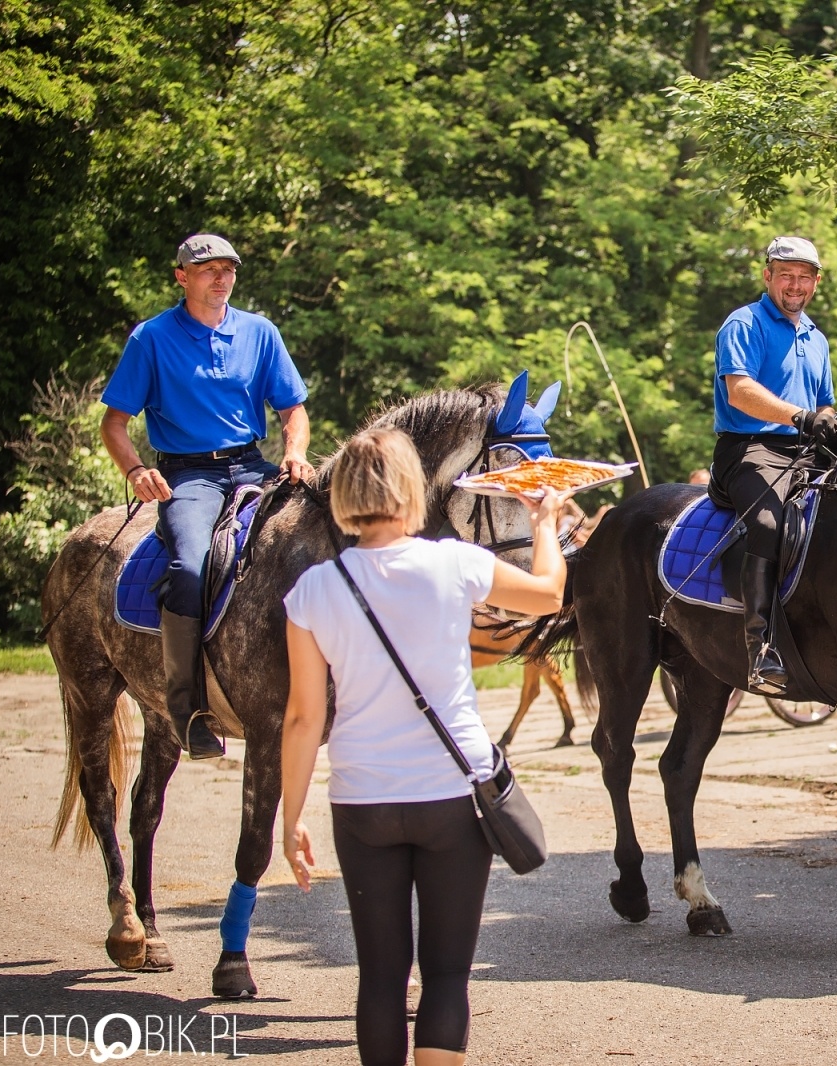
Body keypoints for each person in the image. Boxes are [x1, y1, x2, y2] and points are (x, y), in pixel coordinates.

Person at [279, 427, 567, 1066]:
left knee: (380, 977)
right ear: (412, 488)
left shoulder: (313, 592)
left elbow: (303, 718)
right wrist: (544, 523)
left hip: (362, 801)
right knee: (445, 975)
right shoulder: (454, 562)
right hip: (453, 797)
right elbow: (549, 593)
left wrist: (290, 817)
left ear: (344, 494)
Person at [100, 233, 312, 758]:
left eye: (228, 269)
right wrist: (135, 471)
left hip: (253, 465)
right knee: (191, 567)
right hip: (188, 477)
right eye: (208, 269)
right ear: (182, 277)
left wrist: (296, 451)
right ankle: (187, 709)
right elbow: (114, 425)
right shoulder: (151, 339)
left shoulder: (259, 332)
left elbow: (293, 410)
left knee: (319, 539)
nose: (220, 278)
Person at [711, 236, 837, 695]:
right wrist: (799, 416)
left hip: (804, 449)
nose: (795, 285)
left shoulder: (816, 337)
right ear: (768, 276)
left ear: (816, 283)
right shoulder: (743, 324)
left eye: (805, 277)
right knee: (768, 524)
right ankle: (760, 649)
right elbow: (739, 391)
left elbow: (824, 403)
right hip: (748, 450)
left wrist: (829, 424)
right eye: (786, 275)